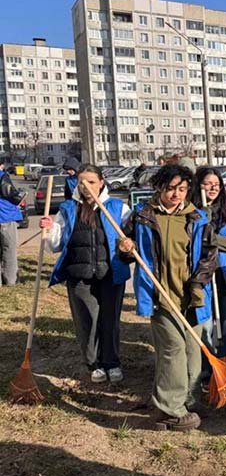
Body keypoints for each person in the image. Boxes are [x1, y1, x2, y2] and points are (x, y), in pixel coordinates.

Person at [118, 164, 217, 432]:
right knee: (172, 350)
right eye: (171, 188)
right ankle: (169, 410)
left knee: (192, 352)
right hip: (160, 296)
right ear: (159, 187)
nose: (176, 194)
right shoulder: (143, 216)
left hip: (193, 297)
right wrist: (125, 248)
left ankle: (187, 401)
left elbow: (210, 255)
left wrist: (198, 284)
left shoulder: (197, 217)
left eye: (182, 189)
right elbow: (125, 252)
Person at [41, 164, 131, 383]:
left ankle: (112, 362)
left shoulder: (118, 208)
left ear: (101, 183)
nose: (86, 186)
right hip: (79, 274)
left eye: (91, 182)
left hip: (111, 273)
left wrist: (128, 245)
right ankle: (94, 364)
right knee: (88, 321)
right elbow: (55, 245)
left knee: (110, 320)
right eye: (82, 182)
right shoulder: (69, 208)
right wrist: (50, 228)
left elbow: (131, 237)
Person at [191, 167, 226, 378]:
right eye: (207, 184)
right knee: (205, 325)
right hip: (203, 276)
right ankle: (206, 368)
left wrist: (211, 238)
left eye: (216, 184)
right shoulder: (192, 212)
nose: (212, 188)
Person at [0, 162, 24, 285]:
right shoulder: (2, 177)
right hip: (5, 217)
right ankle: (11, 279)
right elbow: (10, 193)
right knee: (9, 249)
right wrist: (19, 198)